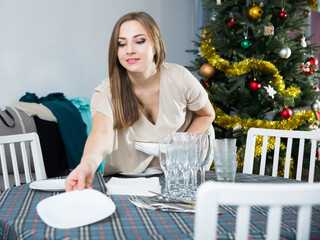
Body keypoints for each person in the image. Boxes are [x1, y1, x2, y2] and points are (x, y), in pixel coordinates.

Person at [65, 11, 215, 191]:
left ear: (156, 44)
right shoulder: (107, 91)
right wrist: (87, 164)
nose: (129, 50)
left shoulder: (180, 77)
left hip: (182, 173)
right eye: (122, 44)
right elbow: (100, 133)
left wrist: (180, 148)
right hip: (129, 180)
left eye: (139, 41)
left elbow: (207, 114)